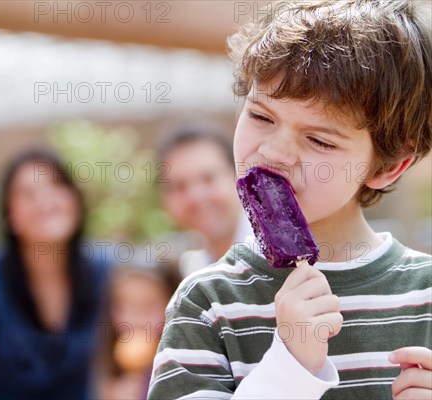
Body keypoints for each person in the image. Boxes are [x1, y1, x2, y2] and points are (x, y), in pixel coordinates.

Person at [148, 1, 432, 399]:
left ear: (388, 167)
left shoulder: (425, 295)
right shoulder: (208, 301)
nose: (275, 152)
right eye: (261, 117)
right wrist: (289, 368)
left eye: (319, 140)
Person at [0, 148, 110, 399]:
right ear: (10, 216)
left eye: (57, 185)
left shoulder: (107, 271)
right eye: (28, 193)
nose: (46, 200)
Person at [157, 121, 252, 277]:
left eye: (208, 178)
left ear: (239, 175)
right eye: (180, 186)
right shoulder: (193, 269)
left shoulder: (280, 251)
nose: (196, 196)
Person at [96, 260, 180, 400]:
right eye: (123, 305)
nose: (135, 319)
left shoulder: (187, 373)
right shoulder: (105, 372)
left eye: (148, 305)